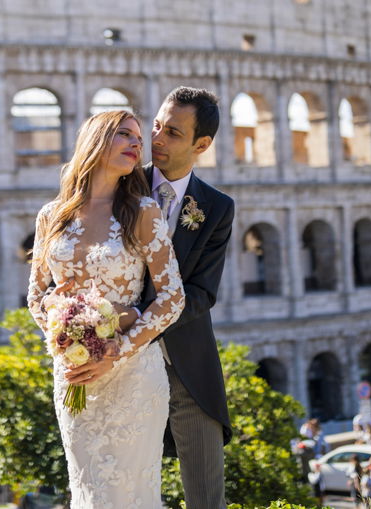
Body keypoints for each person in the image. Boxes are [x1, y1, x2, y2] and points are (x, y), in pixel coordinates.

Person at [28, 109, 186, 508]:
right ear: (96, 140)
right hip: (75, 373)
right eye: (124, 134)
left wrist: (116, 350)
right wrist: (61, 329)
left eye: (138, 137)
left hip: (133, 375)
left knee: (130, 493)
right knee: (88, 491)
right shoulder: (52, 216)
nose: (137, 143)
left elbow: (172, 298)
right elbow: (36, 296)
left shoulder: (143, 211)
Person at [135, 86, 236, 509]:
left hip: (188, 368)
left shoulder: (216, 207)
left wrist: (144, 323)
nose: (157, 138)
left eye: (173, 132)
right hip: (121, 362)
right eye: (156, 125)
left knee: (207, 497)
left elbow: (202, 293)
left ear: (202, 144)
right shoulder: (119, 186)